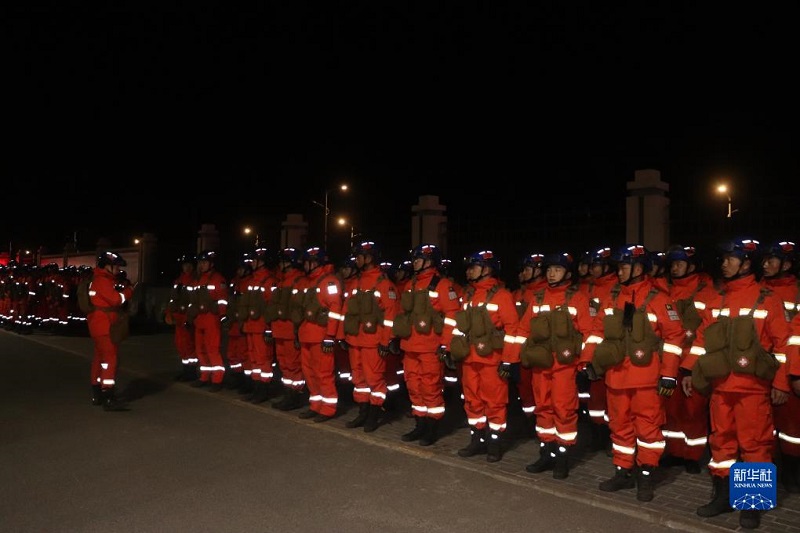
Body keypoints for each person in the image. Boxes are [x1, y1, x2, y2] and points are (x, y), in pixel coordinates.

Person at [683, 237, 792, 529]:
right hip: (720, 387)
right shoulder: (717, 300)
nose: (725, 263)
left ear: (747, 263)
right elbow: (702, 341)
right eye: (725, 259)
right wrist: (688, 372)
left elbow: (786, 345)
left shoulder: (768, 299)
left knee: (755, 445)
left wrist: (781, 383)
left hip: (753, 389)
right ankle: (722, 496)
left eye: (731, 259)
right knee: (721, 443)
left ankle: (752, 503)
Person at [589, 244, 685, 503]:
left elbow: (675, 337)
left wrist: (668, 374)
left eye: (623, 266)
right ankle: (623, 471)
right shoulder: (612, 298)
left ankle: (645, 475)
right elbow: (597, 331)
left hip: (647, 379)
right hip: (616, 377)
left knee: (648, 429)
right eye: (618, 267)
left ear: (639, 268)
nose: (618, 271)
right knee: (619, 427)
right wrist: (590, 362)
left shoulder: (660, 299)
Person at [515, 251, 596, 479]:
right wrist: (511, 359)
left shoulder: (578, 299)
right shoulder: (538, 298)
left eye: (557, 270)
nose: (551, 274)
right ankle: (546, 453)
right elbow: (523, 330)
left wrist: (585, 363)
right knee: (543, 409)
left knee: (564, 410)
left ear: (567, 273)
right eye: (549, 270)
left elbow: (590, 334)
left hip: (565, 367)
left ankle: (562, 457)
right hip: (541, 366)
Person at [449, 250, 520, 462]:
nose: (469, 271)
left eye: (474, 267)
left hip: (492, 359)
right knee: (472, 401)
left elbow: (513, 331)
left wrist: (508, 360)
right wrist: (452, 348)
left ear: (487, 269)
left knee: (495, 402)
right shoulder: (468, 295)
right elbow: (459, 326)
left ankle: (495, 443)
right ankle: (477, 440)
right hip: (470, 359)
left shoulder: (503, 296)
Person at [392, 244, 460, 446]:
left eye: (418, 259)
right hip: (410, 346)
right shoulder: (411, 283)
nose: (414, 262)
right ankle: (420, 424)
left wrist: (446, 345)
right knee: (413, 385)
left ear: (430, 262)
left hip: (430, 347)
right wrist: (396, 337)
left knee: (430, 387)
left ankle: (432, 428)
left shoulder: (442, 284)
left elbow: (452, 316)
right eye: (414, 259)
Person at [659, 245, 713, 474]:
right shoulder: (665, 291)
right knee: (671, 410)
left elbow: (707, 332)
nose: (674, 268)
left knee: (694, 411)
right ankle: (674, 452)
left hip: (695, 364)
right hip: (669, 363)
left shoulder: (706, 292)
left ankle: (693, 455)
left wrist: (691, 363)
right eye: (672, 264)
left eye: (679, 264)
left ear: (692, 266)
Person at [338, 240, 400, 432]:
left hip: (373, 342)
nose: (356, 260)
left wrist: (385, 341)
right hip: (355, 340)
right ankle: (363, 413)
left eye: (359, 256)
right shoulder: (356, 282)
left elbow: (391, 315)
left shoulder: (384, 285)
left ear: (369, 258)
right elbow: (346, 310)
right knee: (359, 380)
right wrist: (342, 335)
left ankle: (374, 415)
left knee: (374, 380)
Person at [760, 240, 800, 494]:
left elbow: (790, 342)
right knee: (760, 433)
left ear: (786, 264)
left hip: (786, 374)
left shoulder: (796, 293)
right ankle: (759, 490)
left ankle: (792, 473)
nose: (765, 265)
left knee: (791, 431)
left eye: (770, 261)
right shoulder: (757, 291)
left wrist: (785, 380)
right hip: (756, 374)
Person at [295, 246, 344, 422]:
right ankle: (315, 405)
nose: (306, 266)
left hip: (321, 336)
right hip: (306, 335)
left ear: (317, 263)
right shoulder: (308, 282)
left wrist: (330, 336)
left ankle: (329, 408)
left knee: (323, 373)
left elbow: (335, 310)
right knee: (309, 373)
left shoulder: (329, 282)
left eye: (309, 263)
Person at [576, 246, 616, 454]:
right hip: (589, 349)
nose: (592, 269)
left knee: (609, 400)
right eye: (590, 266)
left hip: (607, 352)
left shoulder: (615, 289)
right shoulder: (586, 288)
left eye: (596, 266)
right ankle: (596, 435)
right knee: (594, 399)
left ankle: (610, 437)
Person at [88, 251, 134, 411]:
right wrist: (128, 292)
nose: (118, 270)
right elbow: (116, 299)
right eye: (116, 267)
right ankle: (107, 395)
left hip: (98, 325)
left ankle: (97, 393)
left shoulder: (99, 279)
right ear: (108, 266)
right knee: (110, 360)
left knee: (99, 359)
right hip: (105, 326)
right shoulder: (103, 281)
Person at [269, 248, 308, 412]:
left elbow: (301, 308)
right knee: (284, 364)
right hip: (279, 329)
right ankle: (288, 394)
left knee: (293, 365)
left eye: (283, 261)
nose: (280, 264)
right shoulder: (280, 281)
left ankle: (296, 396)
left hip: (290, 330)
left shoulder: (300, 281)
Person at [185, 250, 229, 392]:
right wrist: (189, 317)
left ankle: (217, 380)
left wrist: (222, 317)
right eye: (200, 263)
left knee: (212, 350)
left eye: (204, 262)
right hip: (199, 320)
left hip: (211, 319)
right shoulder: (197, 280)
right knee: (200, 350)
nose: (201, 265)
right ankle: (204, 376)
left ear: (211, 264)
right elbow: (192, 301)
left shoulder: (218, 279)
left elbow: (222, 300)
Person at [512, 253, 547, 423]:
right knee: (524, 385)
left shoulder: (546, 293)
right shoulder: (519, 293)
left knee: (541, 389)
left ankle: (538, 421)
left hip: (540, 349)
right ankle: (529, 420)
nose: (524, 273)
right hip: (522, 347)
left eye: (527, 269)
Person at [166, 254, 198, 382]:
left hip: (187, 317)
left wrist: (189, 318)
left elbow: (194, 301)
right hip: (178, 316)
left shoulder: (195, 280)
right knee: (180, 345)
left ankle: (191, 372)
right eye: (185, 265)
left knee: (189, 345)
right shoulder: (178, 281)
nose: (187, 268)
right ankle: (185, 370)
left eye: (189, 265)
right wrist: (169, 313)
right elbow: (173, 299)